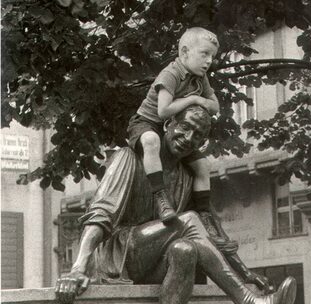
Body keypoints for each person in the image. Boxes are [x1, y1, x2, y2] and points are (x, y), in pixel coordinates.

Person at [55, 106, 294, 304]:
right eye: (185, 127)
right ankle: (247, 300)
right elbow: (101, 213)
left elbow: (209, 231)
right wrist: (78, 267)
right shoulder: (129, 157)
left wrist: (245, 271)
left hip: (155, 260)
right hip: (122, 255)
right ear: (168, 124)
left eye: (197, 135)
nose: (188, 138)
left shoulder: (187, 175)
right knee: (188, 220)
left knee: (184, 250)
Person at [127, 27, 220, 223]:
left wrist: (199, 100)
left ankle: (204, 214)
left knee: (203, 165)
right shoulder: (170, 74)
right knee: (151, 141)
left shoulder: (201, 77)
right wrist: (194, 98)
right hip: (148, 123)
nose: (209, 61)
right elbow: (163, 111)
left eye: (211, 56)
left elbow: (214, 106)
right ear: (185, 52)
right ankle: (161, 198)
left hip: (175, 128)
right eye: (204, 54)